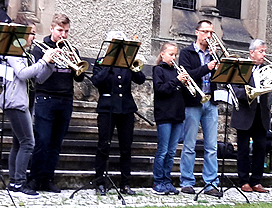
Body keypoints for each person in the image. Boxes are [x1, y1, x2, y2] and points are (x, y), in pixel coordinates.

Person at [27, 13, 84, 192]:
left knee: (56, 143)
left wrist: (75, 61)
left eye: (66, 31)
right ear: (52, 29)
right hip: (45, 97)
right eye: (60, 30)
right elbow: (38, 78)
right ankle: (34, 178)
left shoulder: (71, 49)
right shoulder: (41, 48)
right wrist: (50, 58)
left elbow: (79, 78)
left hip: (65, 99)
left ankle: (47, 178)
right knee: (42, 140)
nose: (63, 35)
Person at [89, 31, 146, 196]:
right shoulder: (101, 62)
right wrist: (109, 64)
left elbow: (140, 79)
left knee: (126, 148)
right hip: (107, 108)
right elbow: (96, 81)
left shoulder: (128, 63)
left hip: (126, 109)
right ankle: (100, 182)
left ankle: (125, 183)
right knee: (103, 146)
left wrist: (133, 66)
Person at [0, 18, 45, 197]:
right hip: (15, 102)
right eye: (31, 33)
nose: (33, 37)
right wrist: (42, 62)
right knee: (28, 142)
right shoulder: (13, 51)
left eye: (34, 33)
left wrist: (48, 64)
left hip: (27, 101)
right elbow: (22, 74)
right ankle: (18, 183)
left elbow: (39, 78)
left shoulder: (29, 55)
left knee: (18, 143)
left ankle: (14, 182)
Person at [230, 39, 272, 194]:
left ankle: (256, 181)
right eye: (261, 51)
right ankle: (244, 181)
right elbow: (235, 89)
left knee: (261, 148)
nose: (264, 54)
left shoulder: (267, 69)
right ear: (251, 52)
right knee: (243, 149)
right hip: (245, 112)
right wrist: (249, 94)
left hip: (261, 114)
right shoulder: (242, 68)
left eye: (265, 51)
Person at [178, 20, 220, 195]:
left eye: (211, 32)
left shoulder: (213, 54)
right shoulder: (186, 53)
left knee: (212, 146)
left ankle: (211, 183)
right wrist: (207, 67)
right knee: (189, 145)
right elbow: (187, 75)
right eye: (205, 32)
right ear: (196, 32)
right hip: (193, 102)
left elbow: (220, 77)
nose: (208, 36)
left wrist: (217, 62)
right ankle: (187, 181)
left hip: (211, 102)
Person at [151, 42, 187, 195]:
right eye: (171, 54)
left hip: (177, 114)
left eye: (175, 55)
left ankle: (167, 180)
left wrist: (185, 84)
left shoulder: (177, 71)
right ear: (162, 54)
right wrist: (177, 81)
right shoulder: (158, 70)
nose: (174, 57)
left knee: (172, 151)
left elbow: (179, 93)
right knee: (163, 150)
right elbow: (160, 90)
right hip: (164, 115)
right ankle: (158, 181)